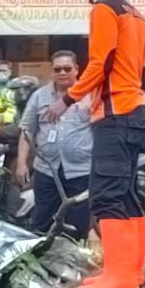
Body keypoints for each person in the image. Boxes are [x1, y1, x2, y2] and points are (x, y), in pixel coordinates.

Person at [42, 0, 145, 288]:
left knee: (106, 197)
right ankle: (130, 272)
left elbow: (99, 64)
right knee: (127, 195)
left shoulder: (105, 10)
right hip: (134, 113)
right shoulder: (136, 15)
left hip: (116, 115)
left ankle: (118, 275)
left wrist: (67, 100)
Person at [17, 51, 93, 239]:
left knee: (78, 225)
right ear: (52, 71)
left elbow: (101, 131)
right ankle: (40, 258)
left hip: (80, 171)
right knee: (41, 221)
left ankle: (73, 262)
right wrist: (21, 163)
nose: (62, 73)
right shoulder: (39, 96)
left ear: (77, 69)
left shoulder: (90, 96)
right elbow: (26, 130)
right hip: (46, 170)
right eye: (57, 69)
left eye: (67, 68)